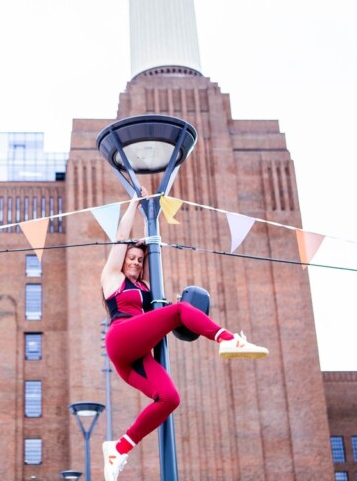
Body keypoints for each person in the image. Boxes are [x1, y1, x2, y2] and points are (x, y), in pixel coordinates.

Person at [100, 189, 269, 481]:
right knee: (179, 310)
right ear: (123, 259)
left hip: (134, 358)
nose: (137, 263)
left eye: (141, 260)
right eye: (132, 258)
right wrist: (134, 204)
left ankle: (118, 448)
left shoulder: (146, 289)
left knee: (169, 398)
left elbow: (154, 261)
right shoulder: (112, 278)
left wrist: (152, 239)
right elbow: (120, 237)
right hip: (121, 337)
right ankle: (227, 339)